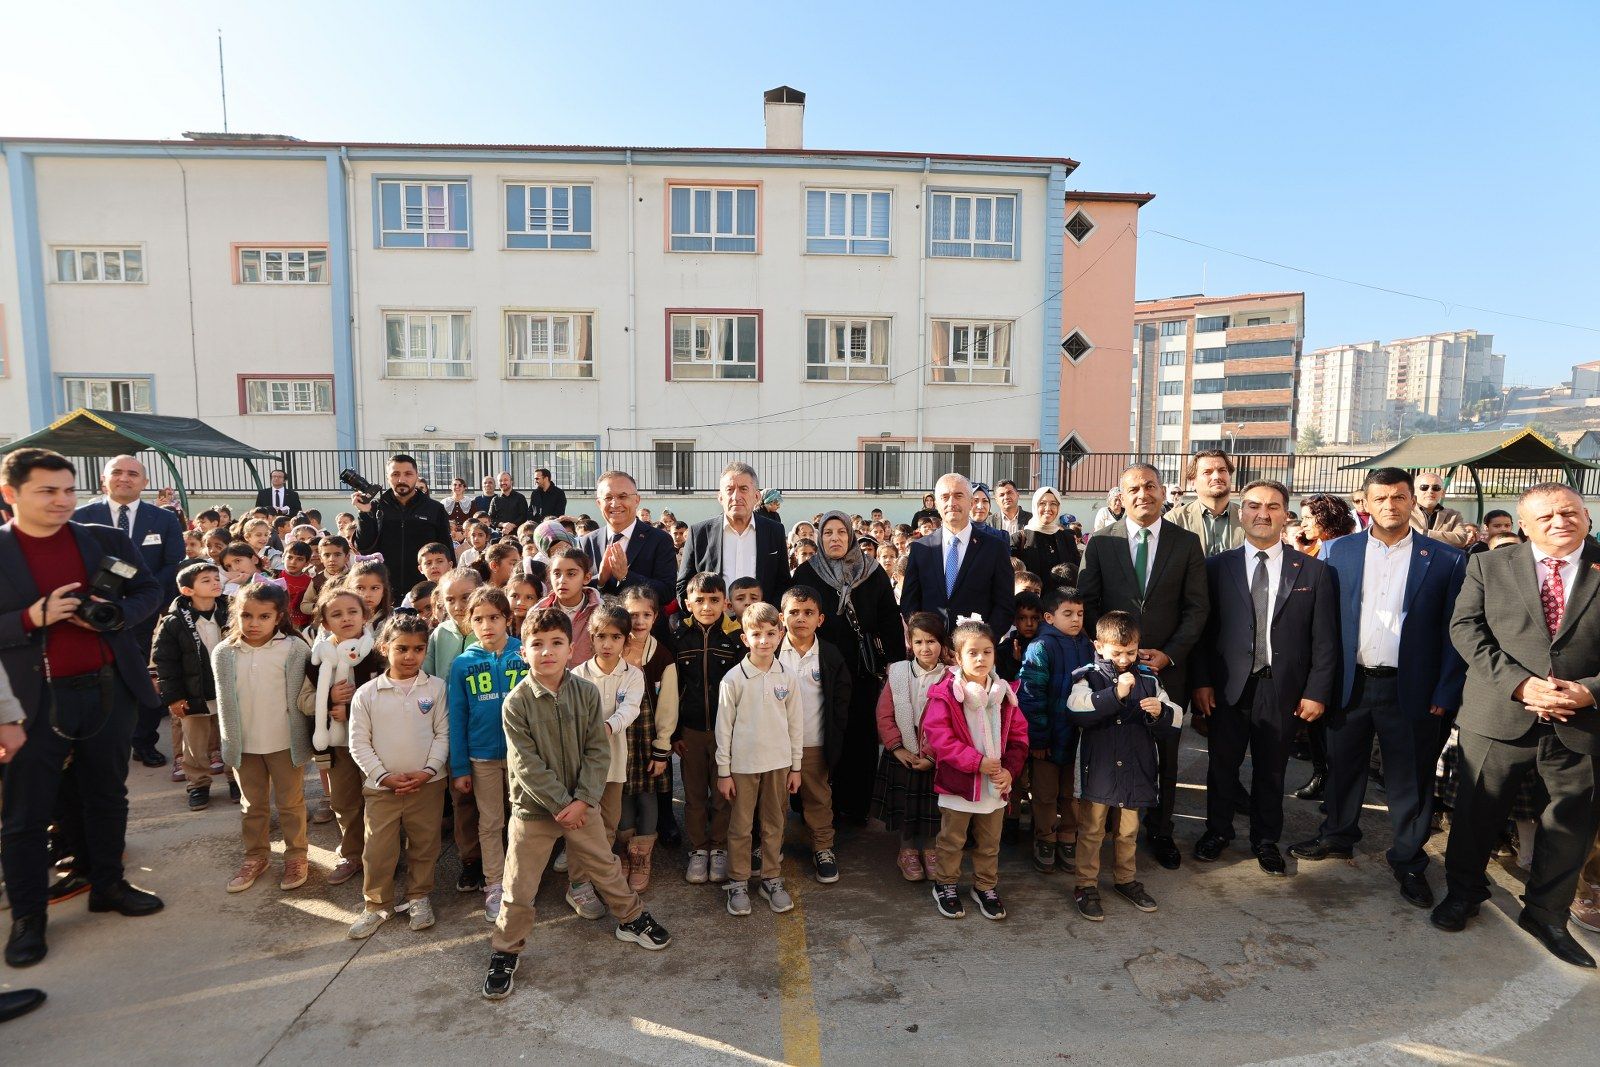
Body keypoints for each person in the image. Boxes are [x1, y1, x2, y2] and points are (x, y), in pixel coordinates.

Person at [0, 448, 166, 968]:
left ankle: (108, 885)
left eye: (68, 490)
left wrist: (116, 614)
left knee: (107, 795)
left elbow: (149, 589)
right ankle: (29, 919)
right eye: (47, 491)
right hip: (31, 701)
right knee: (26, 814)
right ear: (11, 494)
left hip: (108, 690)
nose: (62, 500)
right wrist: (30, 618)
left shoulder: (104, 539)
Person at [1432, 483, 1600, 968]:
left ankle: (1547, 915)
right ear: (1524, 526)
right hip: (1501, 712)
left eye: (1569, 512)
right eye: (1545, 516)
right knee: (1476, 813)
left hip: (1582, 718)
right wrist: (1520, 685)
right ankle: (1464, 893)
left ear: (1586, 516)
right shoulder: (1489, 565)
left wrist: (1591, 690)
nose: (1560, 522)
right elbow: (1466, 629)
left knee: (1571, 823)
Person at [1290, 468, 1467, 911]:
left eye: (1399, 497)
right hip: (1349, 684)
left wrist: (1445, 692)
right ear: (1365, 504)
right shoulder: (1337, 551)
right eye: (1381, 498)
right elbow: (1319, 625)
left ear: (1412, 502)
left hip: (1412, 690)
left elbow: (1456, 633)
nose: (1391, 505)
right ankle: (1337, 835)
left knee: (1410, 780)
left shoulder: (1445, 560)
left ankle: (1408, 859)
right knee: (1342, 766)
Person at [481, 607, 671, 1000]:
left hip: (582, 806)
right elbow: (526, 765)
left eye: (557, 643)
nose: (547, 651)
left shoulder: (585, 693)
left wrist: (583, 800)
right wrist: (560, 804)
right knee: (519, 884)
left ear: (571, 649)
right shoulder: (516, 703)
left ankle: (631, 918)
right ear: (523, 652)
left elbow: (598, 751)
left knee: (605, 864)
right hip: (536, 811)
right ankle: (505, 949)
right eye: (537, 644)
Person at [1191, 481, 1338, 875]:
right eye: (1254, 505)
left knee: (1272, 770)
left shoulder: (1314, 571)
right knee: (1221, 766)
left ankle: (1266, 840)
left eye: (1273, 506)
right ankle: (1217, 832)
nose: (1263, 513)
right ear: (1241, 513)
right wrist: (1201, 682)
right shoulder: (1216, 568)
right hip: (1227, 688)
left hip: (1282, 688)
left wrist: (1317, 691)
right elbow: (1203, 632)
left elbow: (1325, 640)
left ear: (1286, 515)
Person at [1076, 463, 1209, 871]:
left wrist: (1169, 653)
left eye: (1150, 486)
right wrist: (1111, 654)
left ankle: (1161, 830)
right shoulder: (1101, 542)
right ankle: (1111, 827)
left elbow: (1197, 607)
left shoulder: (1186, 543)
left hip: (1167, 667)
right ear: (1121, 495)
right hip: (1112, 670)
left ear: (1163, 491)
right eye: (1133, 488)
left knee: (1166, 754)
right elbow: (1088, 602)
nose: (1142, 494)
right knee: (1113, 748)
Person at [792, 511, 906, 823]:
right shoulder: (807, 572)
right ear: (820, 538)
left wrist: (895, 663)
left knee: (859, 734)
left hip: (860, 669)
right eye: (828, 533)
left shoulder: (871, 571)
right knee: (818, 734)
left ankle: (855, 805)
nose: (835, 538)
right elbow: (792, 615)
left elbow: (889, 619)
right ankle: (812, 804)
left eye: (841, 532)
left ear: (851, 536)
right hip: (817, 668)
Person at [1067, 611, 1180, 921]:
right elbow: (1076, 708)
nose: (1123, 659)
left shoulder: (1149, 678)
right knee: (1091, 830)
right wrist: (1114, 695)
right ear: (1099, 646)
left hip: (1135, 770)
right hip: (1098, 770)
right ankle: (1085, 885)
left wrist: (1160, 711)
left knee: (1128, 831)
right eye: (1116, 652)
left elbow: (1175, 716)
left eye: (1130, 652)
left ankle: (1125, 879)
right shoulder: (1087, 676)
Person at [75, 454, 186, 768]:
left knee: (144, 679)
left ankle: (144, 741)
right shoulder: (81, 517)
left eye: (133, 474)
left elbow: (172, 565)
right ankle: (100, 744)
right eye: (117, 472)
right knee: (99, 681)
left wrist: (137, 601)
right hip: (93, 618)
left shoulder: (164, 519)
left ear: (145, 482)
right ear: (103, 479)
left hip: (146, 616)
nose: (124, 478)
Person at [346, 615, 450, 938]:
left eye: (418, 649)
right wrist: (382, 776)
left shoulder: (437, 688)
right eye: (402, 648)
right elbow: (358, 743)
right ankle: (377, 904)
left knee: (425, 843)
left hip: (428, 786)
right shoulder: (367, 694)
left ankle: (419, 896)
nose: (410, 656)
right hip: (381, 789)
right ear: (384, 647)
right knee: (378, 848)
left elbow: (443, 733)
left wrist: (428, 771)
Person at [922, 618, 1029, 921]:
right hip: (958, 784)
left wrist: (1009, 770)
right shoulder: (945, 694)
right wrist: (976, 762)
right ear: (957, 657)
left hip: (994, 787)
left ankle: (984, 886)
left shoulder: (1005, 695)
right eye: (972, 653)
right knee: (952, 840)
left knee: (989, 843)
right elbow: (939, 738)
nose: (981, 658)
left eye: (987, 651)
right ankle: (945, 884)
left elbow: (1019, 738)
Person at [213, 584, 313, 895]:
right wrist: (228, 742)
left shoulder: (295, 649)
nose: (253, 623)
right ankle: (256, 856)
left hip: (285, 743)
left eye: (263, 616)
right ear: (236, 614)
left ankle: (296, 856)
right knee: (252, 806)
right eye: (246, 615)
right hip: (245, 745)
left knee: (290, 803)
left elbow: (305, 695)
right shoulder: (224, 653)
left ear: (279, 617)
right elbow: (224, 703)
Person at [716, 601, 804, 917]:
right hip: (743, 766)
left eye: (770, 633)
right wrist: (724, 771)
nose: (764, 641)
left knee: (774, 823)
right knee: (741, 825)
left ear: (781, 634)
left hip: (779, 764)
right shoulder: (733, 679)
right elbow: (724, 728)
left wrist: (796, 767)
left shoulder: (788, 677)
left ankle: (770, 878)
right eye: (756, 634)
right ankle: (738, 881)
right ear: (745, 639)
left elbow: (796, 724)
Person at [448, 586, 527, 923]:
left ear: (507, 618)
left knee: (524, 820)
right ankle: (494, 883)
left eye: (494, 617)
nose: (487, 625)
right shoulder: (462, 664)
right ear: (470, 623)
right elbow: (457, 716)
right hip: (481, 758)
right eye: (478, 619)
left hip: (523, 756)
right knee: (491, 822)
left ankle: (522, 879)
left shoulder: (523, 654)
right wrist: (460, 767)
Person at [299, 587, 384, 886]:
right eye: (336, 614)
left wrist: (351, 710)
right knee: (345, 801)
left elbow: (391, 695)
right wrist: (329, 699)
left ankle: (381, 854)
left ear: (365, 616)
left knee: (378, 799)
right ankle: (352, 854)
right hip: (337, 746)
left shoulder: (378, 654)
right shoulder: (317, 660)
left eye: (352, 612)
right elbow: (303, 701)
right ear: (324, 623)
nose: (346, 618)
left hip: (375, 742)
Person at [569, 604, 645, 919]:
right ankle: (578, 884)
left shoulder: (633, 675)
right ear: (591, 638)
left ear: (626, 640)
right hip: (581, 766)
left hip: (613, 764)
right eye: (601, 636)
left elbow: (630, 710)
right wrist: (593, 731)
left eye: (615, 637)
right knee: (581, 825)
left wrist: (607, 727)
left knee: (608, 824)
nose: (607, 644)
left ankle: (599, 877)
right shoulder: (577, 675)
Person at [1284, 494, 1356, 801]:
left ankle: (1332, 782)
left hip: (1340, 645)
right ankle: (1321, 774)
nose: (1303, 525)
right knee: (1315, 720)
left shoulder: (1343, 550)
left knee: (1334, 723)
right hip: (1312, 646)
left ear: (1326, 518)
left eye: (1308, 518)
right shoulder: (1313, 549)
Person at [778, 586, 852, 884]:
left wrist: (833, 737)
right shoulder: (770, 650)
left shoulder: (829, 655)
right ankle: (769, 847)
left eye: (808, 613)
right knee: (773, 800)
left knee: (818, 798)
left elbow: (840, 700)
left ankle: (822, 847)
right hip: (775, 745)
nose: (801, 618)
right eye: (794, 612)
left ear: (820, 619)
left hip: (813, 743)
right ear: (781, 617)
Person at [673, 573, 744, 884]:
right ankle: (698, 849)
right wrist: (675, 733)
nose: (706, 606)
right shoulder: (678, 636)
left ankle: (719, 847)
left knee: (722, 793)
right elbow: (672, 690)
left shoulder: (737, 637)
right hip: (690, 731)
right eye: (699, 600)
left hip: (725, 732)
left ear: (725, 603)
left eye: (714, 600)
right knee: (694, 795)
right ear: (687, 603)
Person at [1018, 587, 1094, 874]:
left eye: (1080, 614)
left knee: (1072, 792)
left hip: (1077, 738)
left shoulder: (1087, 645)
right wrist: (1038, 739)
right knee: (1045, 793)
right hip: (1047, 740)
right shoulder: (1040, 647)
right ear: (1049, 617)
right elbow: (1031, 696)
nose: (1076, 619)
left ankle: (1068, 836)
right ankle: (1045, 837)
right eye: (1068, 613)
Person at [872, 611, 948, 882]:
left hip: (936, 752)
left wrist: (932, 755)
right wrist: (897, 748)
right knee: (905, 804)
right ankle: (907, 851)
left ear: (942, 643)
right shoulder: (899, 672)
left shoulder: (950, 677)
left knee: (933, 807)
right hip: (902, 750)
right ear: (910, 643)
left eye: (931, 641)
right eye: (919, 642)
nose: (925, 648)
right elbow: (884, 714)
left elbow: (952, 723)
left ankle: (930, 850)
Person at [151, 561, 232, 811]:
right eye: (206, 581)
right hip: (193, 692)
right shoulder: (174, 622)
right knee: (195, 743)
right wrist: (174, 697)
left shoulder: (231, 612)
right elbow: (165, 662)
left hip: (229, 690)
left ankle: (235, 779)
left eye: (216, 578)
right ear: (187, 590)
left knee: (233, 738)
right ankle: (198, 784)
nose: (215, 583)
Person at [900, 473, 1016, 636]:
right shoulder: (921, 548)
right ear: (937, 504)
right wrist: (926, 639)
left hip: (976, 647)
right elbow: (910, 603)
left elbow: (1004, 605)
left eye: (958, 496)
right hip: (932, 646)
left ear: (971, 502)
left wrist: (982, 642)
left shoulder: (995, 548)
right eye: (945, 497)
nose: (951, 503)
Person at [619, 586, 678, 891]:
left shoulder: (662, 656)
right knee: (622, 795)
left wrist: (662, 748)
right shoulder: (613, 649)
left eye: (646, 614)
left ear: (655, 617)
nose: (639, 621)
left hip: (649, 738)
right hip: (619, 738)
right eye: (632, 614)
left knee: (648, 795)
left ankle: (642, 856)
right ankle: (625, 852)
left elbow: (667, 706)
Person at [676, 462, 792, 609]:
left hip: (760, 621)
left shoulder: (774, 531)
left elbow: (783, 583)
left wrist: (766, 615)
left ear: (756, 496)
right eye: (729, 490)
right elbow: (684, 586)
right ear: (720, 497)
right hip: (714, 621)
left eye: (743, 489)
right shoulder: (699, 533)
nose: (736, 496)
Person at [352, 454, 456, 596]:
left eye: (408, 474)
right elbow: (363, 548)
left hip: (425, 592)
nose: (402, 480)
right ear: (388, 477)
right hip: (384, 591)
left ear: (417, 476)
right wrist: (364, 513)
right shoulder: (375, 507)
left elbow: (446, 550)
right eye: (395, 474)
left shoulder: (434, 508)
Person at [581, 470, 677, 608]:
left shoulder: (659, 540)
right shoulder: (587, 542)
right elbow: (578, 590)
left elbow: (667, 592)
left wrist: (626, 576)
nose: (615, 504)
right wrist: (600, 581)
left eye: (622, 496)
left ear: (637, 500)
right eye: (608, 497)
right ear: (598, 503)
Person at [1166, 450, 1245, 558]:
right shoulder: (1175, 520)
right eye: (1207, 472)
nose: (1217, 476)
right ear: (1192, 482)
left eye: (1222, 470)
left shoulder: (1247, 517)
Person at [536, 545, 602, 665]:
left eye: (571, 574)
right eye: (557, 574)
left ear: (587, 578)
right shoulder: (538, 613)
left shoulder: (601, 613)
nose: (562, 580)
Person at [1010, 486, 1081, 591]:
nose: (1048, 508)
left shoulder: (1067, 539)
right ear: (1035, 506)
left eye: (1053, 504)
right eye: (1042, 503)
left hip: (1061, 600)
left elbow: (1076, 573)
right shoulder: (1019, 539)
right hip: (1031, 600)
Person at [1409, 472, 1471, 548]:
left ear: (1442, 493)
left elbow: (1461, 539)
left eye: (1436, 488)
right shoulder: (1406, 512)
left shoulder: (1453, 515)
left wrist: (1425, 533)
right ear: (1414, 491)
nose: (1430, 491)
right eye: (1424, 487)